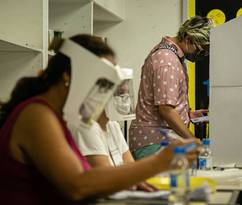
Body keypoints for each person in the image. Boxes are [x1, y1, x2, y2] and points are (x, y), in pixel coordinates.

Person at [0, 34, 199, 204]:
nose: (104, 94)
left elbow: (85, 177)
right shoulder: (37, 115)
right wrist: (159, 162)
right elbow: (77, 185)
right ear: (67, 76)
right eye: (101, 83)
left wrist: (125, 179)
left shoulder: (56, 117)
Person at [129, 16, 214, 160]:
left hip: (159, 141)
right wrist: (194, 141)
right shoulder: (168, 60)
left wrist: (189, 115)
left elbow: (165, 104)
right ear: (188, 39)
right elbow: (166, 110)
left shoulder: (171, 56)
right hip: (154, 142)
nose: (202, 56)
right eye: (201, 50)